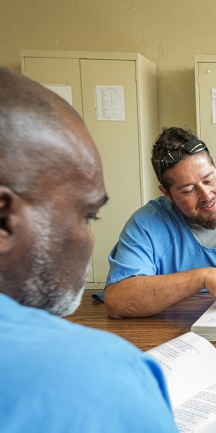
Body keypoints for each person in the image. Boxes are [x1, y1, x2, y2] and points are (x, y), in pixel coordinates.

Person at [0, 67, 178, 432]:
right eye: (88, 216)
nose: (91, 240)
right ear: (4, 220)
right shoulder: (99, 374)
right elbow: (119, 299)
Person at [100, 126, 216, 318]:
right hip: (172, 339)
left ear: (215, 166)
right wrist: (204, 277)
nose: (207, 196)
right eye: (188, 190)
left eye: (209, 180)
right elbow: (117, 301)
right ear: (166, 193)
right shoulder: (146, 225)